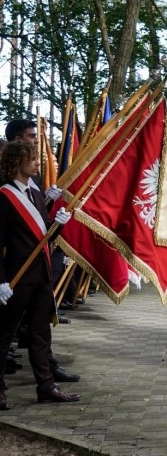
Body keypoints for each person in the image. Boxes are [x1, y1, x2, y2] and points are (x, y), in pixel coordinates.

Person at [0, 141, 79, 410]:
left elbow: (43, 237)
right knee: (3, 333)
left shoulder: (35, 195)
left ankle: (46, 387)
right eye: (31, 159)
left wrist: (57, 225)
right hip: (16, 277)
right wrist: (0, 281)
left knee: (40, 332)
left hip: (41, 273)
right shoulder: (3, 196)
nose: (37, 163)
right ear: (16, 162)